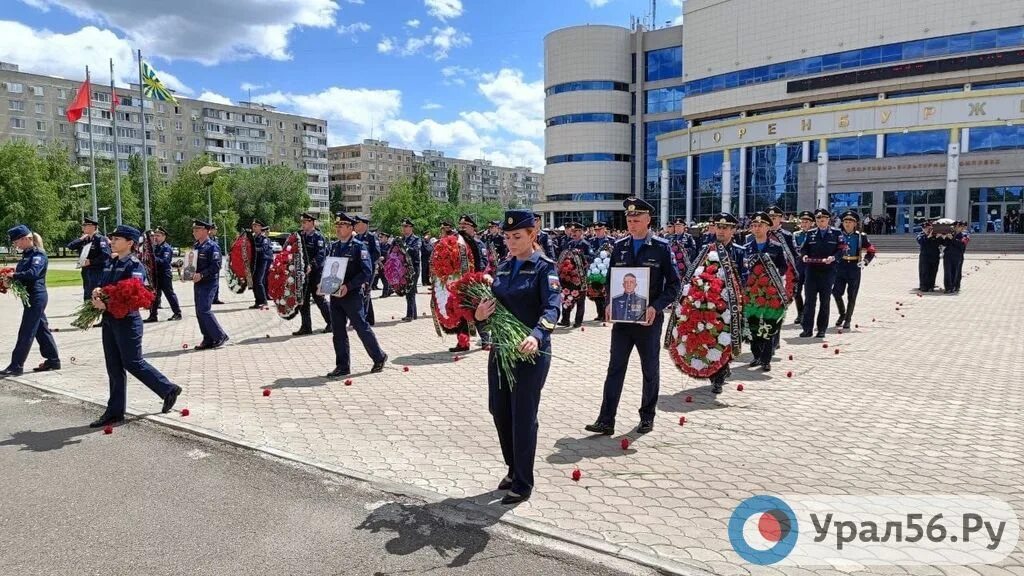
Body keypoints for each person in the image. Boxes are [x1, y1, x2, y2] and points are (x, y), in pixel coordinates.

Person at [473, 209, 560, 505]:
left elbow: (552, 310)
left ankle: (523, 482)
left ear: (532, 235)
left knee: (523, 417)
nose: (510, 242)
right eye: (507, 237)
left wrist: (536, 335)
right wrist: (480, 316)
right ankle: (513, 468)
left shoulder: (543, 268)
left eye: (517, 237)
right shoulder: (503, 267)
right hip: (501, 351)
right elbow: (491, 311)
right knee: (499, 410)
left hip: (530, 353)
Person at [585, 197, 680, 436]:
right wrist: (608, 303)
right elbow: (611, 280)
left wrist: (656, 307)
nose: (632, 223)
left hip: (648, 321)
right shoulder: (620, 246)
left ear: (648, 220)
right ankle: (606, 420)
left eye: (637, 219)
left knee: (650, 370)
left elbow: (674, 286)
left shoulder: (661, 247)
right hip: (623, 321)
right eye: (629, 219)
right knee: (615, 368)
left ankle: (647, 417)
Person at [87, 224, 182, 428]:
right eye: (112, 238)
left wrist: (107, 303)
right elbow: (103, 284)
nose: (112, 241)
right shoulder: (111, 262)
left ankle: (168, 389)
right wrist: (97, 291)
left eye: (117, 239)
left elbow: (133, 298)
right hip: (110, 320)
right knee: (113, 366)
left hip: (127, 321)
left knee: (132, 362)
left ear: (129, 243)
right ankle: (114, 412)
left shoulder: (134, 265)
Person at [324, 213, 388, 378]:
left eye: (342, 225)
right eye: (337, 225)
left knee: (361, 327)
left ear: (350, 228)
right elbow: (329, 268)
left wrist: (349, 285)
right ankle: (342, 365)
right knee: (338, 331)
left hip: (352, 295)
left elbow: (366, 272)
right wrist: (322, 283)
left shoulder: (359, 247)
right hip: (335, 294)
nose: (338, 228)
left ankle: (379, 357)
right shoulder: (334, 246)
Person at [0, 225, 61, 377]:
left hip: (36, 296)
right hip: (31, 296)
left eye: (17, 242)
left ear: (26, 239)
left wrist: (14, 275)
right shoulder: (27, 254)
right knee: (41, 329)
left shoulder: (38, 254)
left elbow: (33, 273)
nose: (16, 245)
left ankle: (16, 365)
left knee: (26, 331)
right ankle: (53, 360)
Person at [744, 212, 788, 372]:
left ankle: (766, 359)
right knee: (754, 324)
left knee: (768, 325)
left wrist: (774, 270)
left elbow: (783, 267)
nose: (756, 228)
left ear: (767, 227)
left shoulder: (775, 247)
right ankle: (756, 355)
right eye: (754, 225)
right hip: (752, 293)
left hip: (770, 293)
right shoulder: (747, 247)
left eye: (760, 225)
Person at [799, 208, 845, 338]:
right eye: (818, 219)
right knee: (809, 301)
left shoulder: (836, 233)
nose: (820, 221)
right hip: (812, 271)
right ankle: (807, 329)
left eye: (823, 219)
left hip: (828, 271)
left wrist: (834, 257)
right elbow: (804, 249)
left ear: (828, 220)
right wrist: (804, 255)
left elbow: (841, 250)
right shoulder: (811, 233)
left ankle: (821, 329)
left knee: (825, 301)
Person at [451, 214, 490, 351]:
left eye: (465, 226)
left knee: (477, 311)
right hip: (459, 284)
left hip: (474, 284)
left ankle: (486, 340)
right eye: (460, 226)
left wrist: (476, 279)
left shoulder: (478, 244)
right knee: (460, 312)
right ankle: (463, 343)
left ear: (473, 228)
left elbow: (484, 264)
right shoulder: (455, 243)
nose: (461, 228)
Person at [191, 220, 229, 350]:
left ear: (206, 231)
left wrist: (201, 274)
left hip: (208, 282)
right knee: (199, 311)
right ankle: (207, 338)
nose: (194, 232)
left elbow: (216, 266)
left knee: (204, 310)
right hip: (198, 283)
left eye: (197, 229)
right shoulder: (196, 246)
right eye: (194, 230)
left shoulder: (212, 246)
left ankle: (220, 336)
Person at [833, 210, 876, 329]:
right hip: (840, 266)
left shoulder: (860, 237)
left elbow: (871, 250)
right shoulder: (837, 235)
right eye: (845, 221)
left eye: (850, 222)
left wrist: (866, 261)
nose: (847, 224)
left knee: (852, 295)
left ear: (855, 224)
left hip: (854, 266)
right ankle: (842, 313)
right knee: (836, 292)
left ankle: (848, 319)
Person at [295, 212, 332, 335]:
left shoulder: (318, 237)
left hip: (315, 273)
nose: (303, 224)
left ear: (311, 222)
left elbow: (321, 254)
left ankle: (331, 322)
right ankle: (306, 326)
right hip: (303, 274)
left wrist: (312, 265)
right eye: (302, 222)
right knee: (303, 300)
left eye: (305, 222)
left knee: (319, 298)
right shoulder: (300, 236)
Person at [66, 217, 111, 302]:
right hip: (86, 271)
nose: (82, 227)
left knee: (95, 294)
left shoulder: (100, 239)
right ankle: (88, 311)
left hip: (97, 271)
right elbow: (70, 246)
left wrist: (91, 261)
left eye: (85, 225)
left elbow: (106, 255)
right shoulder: (85, 240)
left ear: (92, 227)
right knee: (87, 294)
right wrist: (81, 239)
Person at [558, 222, 594, 328]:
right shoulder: (568, 243)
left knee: (580, 300)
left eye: (576, 231)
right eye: (572, 231)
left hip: (580, 276)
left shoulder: (585, 244)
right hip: (567, 276)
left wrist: (580, 255)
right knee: (566, 297)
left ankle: (578, 321)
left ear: (581, 232)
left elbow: (591, 257)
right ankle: (565, 320)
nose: (573, 233)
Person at [145, 227, 183, 322]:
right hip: (155, 274)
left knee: (169, 294)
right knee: (154, 295)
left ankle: (177, 313)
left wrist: (152, 258)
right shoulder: (154, 247)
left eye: (158, 236)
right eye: (155, 236)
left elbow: (165, 262)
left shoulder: (166, 248)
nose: (155, 238)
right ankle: (153, 315)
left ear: (164, 237)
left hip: (164, 274)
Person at [354, 215, 380, 325]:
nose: (355, 225)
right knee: (362, 293)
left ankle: (366, 319)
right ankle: (367, 317)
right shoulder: (357, 237)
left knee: (366, 292)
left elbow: (377, 253)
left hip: (368, 270)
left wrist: (367, 263)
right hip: (359, 270)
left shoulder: (371, 237)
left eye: (357, 223)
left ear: (364, 224)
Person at [588, 222, 613, 322]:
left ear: (604, 229)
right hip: (595, 271)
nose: (598, 232)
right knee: (596, 294)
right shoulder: (591, 241)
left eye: (600, 229)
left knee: (606, 293)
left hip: (607, 270)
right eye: (596, 230)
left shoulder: (611, 241)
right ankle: (599, 314)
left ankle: (606, 314)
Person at [792, 211, 813, 325]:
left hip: (811, 266)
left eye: (807, 222)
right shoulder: (796, 235)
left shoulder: (814, 234)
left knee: (809, 292)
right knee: (797, 291)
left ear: (811, 223)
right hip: (799, 266)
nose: (804, 224)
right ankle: (800, 313)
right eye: (802, 222)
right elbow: (796, 248)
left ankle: (806, 313)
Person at [399, 218, 422, 322]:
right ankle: (413, 314)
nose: (403, 229)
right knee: (408, 291)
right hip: (404, 268)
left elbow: (415, 251)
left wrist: (405, 247)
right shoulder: (402, 239)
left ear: (411, 228)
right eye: (403, 226)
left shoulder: (416, 239)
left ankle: (410, 315)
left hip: (413, 267)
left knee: (411, 291)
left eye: (405, 226)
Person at [249, 219, 273, 310]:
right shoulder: (253, 238)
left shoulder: (264, 239)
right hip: (255, 261)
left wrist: (253, 250)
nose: (254, 228)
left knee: (259, 281)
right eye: (253, 226)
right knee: (254, 282)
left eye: (256, 226)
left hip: (262, 261)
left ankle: (264, 301)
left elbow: (263, 248)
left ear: (260, 227)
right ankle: (257, 301)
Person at [942, 220, 969, 294]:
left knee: (955, 272)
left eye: (958, 227)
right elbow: (944, 244)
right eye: (955, 226)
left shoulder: (964, 235)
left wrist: (952, 239)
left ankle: (954, 286)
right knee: (947, 272)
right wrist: (944, 237)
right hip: (948, 255)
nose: (956, 228)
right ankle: (948, 287)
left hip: (957, 256)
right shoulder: (950, 234)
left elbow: (961, 244)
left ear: (961, 227)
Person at [916, 220, 942, 292]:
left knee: (933, 271)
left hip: (935, 256)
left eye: (928, 228)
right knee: (924, 271)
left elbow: (942, 243)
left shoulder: (936, 235)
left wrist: (940, 236)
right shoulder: (921, 235)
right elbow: (921, 242)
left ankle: (931, 286)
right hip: (925, 256)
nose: (927, 229)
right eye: (925, 228)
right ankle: (923, 286)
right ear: (922, 229)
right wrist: (928, 237)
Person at [209, 224, 225, 305]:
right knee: (209, 282)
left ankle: (215, 298)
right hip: (209, 264)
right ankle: (209, 298)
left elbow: (219, 252)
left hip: (216, 263)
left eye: (216, 229)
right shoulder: (206, 239)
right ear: (210, 230)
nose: (216, 231)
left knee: (216, 282)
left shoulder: (216, 239)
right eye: (214, 229)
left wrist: (220, 262)